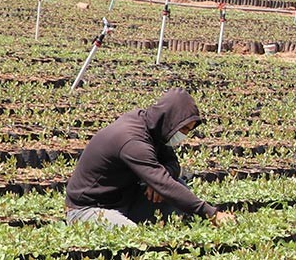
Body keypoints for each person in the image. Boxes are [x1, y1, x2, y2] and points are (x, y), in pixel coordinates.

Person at [64, 88, 235, 227]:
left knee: (177, 191)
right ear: (170, 120)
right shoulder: (133, 141)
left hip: (126, 199)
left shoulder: (156, 128)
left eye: (188, 131)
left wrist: (157, 180)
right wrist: (212, 213)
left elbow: (173, 164)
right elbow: (164, 183)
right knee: (130, 237)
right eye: (183, 130)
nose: (184, 136)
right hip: (87, 208)